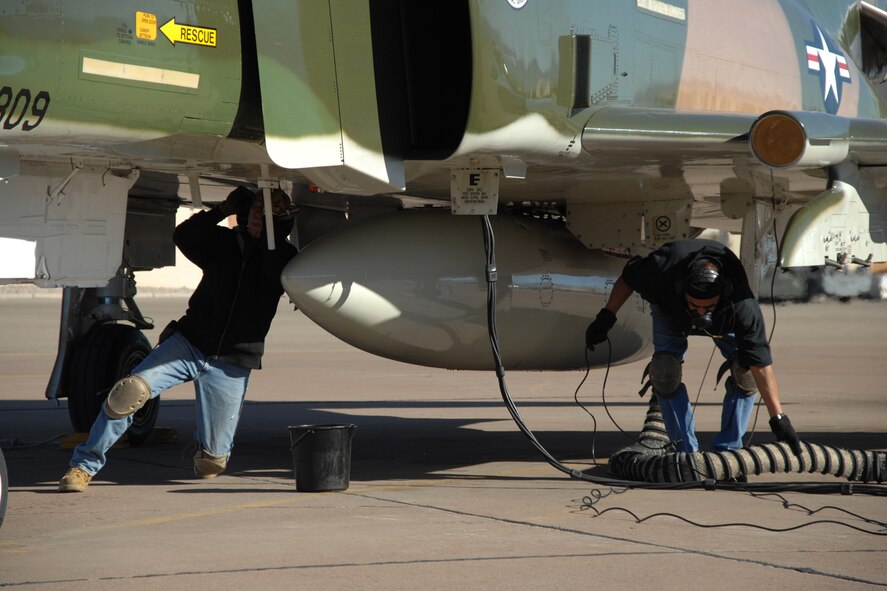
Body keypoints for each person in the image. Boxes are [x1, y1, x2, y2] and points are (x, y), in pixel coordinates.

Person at [58, 186, 298, 492]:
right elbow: (183, 236)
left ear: (283, 219)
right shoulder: (224, 243)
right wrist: (222, 210)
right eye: (253, 209)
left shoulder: (285, 259)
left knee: (213, 462)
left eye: (267, 211)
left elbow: (269, 268)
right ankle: (83, 466)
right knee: (129, 392)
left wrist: (267, 235)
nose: (256, 216)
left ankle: (206, 452)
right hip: (189, 343)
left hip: (232, 361)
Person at [585, 239, 802, 456]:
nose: (700, 313)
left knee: (746, 373)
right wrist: (607, 316)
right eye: (695, 305)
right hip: (670, 309)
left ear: (723, 293)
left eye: (707, 306)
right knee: (664, 372)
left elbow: (761, 366)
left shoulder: (742, 305)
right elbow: (628, 278)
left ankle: (728, 451)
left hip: (725, 317)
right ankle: (685, 452)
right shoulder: (660, 270)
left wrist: (778, 418)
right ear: (682, 289)